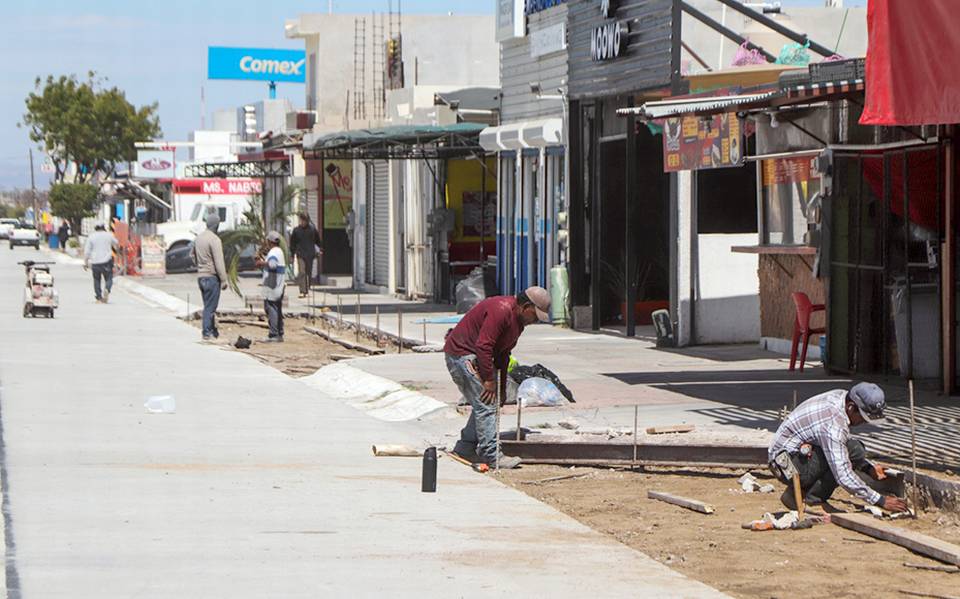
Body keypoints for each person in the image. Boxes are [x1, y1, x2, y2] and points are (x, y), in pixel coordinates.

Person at [444, 286, 552, 469]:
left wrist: (501, 388)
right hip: (462, 355)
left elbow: (503, 353)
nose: (535, 321)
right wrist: (488, 380)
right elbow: (484, 346)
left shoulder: (518, 323)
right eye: (535, 315)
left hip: (477, 356)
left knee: (489, 401)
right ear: (526, 307)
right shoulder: (501, 310)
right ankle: (491, 455)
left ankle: (465, 447)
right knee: (486, 403)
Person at [769, 382, 908, 513]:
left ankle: (796, 494)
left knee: (854, 448)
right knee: (851, 452)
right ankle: (810, 500)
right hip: (786, 465)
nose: (864, 423)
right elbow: (842, 475)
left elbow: (841, 444)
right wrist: (880, 500)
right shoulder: (832, 423)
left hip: (793, 456)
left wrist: (868, 468)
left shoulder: (841, 398)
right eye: (863, 418)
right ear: (851, 407)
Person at [193, 212, 229, 340]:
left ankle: (213, 330)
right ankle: (207, 332)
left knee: (207, 304)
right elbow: (219, 261)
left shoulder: (199, 238)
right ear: (216, 225)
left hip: (201, 276)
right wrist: (224, 279)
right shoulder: (215, 240)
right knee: (210, 307)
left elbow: (193, 256)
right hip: (211, 277)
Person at [258, 231, 286, 342]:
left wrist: (261, 263)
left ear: (270, 241)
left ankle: (274, 334)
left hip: (272, 285)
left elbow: (272, 264)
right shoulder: (279, 251)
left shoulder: (274, 252)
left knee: (271, 308)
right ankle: (279, 332)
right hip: (277, 285)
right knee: (277, 308)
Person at [83, 224, 119, 303]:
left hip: (95, 262)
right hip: (107, 261)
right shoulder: (109, 235)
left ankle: (99, 297)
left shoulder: (91, 237)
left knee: (96, 279)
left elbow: (87, 252)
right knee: (109, 278)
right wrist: (116, 252)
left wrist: (85, 263)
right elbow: (116, 243)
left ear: (95, 228)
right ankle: (107, 289)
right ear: (104, 228)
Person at [289, 213, 321, 298]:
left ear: (307, 221)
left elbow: (318, 241)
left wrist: (320, 250)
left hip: (310, 254)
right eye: (301, 220)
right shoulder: (296, 231)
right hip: (300, 254)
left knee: (308, 272)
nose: (302, 222)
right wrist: (292, 255)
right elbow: (292, 244)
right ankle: (302, 290)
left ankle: (307, 289)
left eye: (304, 220)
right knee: (302, 272)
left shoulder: (312, 230)